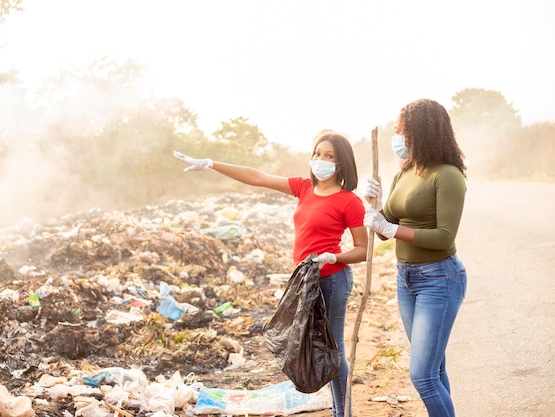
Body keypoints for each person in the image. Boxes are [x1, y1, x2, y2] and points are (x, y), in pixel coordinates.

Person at [173, 130, 367, 417]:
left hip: (332, 280)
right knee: (314, 349)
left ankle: (344, 414)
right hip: (305, 281)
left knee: (332, 349)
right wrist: (212, 163)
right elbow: (257, 177)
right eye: (317, 154)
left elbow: (363, 249)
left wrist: (333, 256)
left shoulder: (349, 200)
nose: (321, 160)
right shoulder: (304, 188)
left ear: (342, 164)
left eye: (329, 156)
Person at [363, 98, 467, 417]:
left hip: (440, 280)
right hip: (405, 279)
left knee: (422, 375)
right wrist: (373, 205)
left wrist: (391, 229)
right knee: (434, 370)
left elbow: (443, 237)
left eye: (401, 131)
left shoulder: (447, 175)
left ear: (421, 133)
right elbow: (384, 226)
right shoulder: (403, 174)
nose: (396, 138)